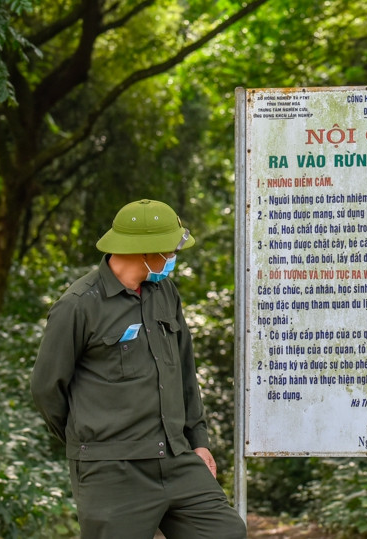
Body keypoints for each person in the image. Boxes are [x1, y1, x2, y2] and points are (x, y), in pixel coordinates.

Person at [31, 199, 247, 539]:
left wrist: (198, 440)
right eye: (169, 249)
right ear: (144, 250)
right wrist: (91, 443)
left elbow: (184, 372)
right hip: (113, 471)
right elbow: (46, 389)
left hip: (176, 457)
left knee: (225, 532)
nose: (174, 256)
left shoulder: (164, 292)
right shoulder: (79, 305)